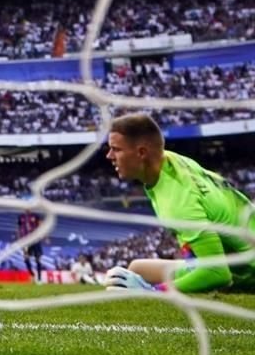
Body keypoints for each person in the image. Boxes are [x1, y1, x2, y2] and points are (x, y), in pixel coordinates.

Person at [104, 113, 255, 293]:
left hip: (247, 271)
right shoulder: (169, 162)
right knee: (136, 269)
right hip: (237, 251)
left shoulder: (179, 199)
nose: (109, 156)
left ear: (142, 153)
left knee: (129, 284)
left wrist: (155, 292)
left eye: (116, 149)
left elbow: (217, 273)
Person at [17, 209, 44, 282]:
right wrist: (19, 238)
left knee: (38, 259)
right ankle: (32, 274)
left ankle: (39, 279)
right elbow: (19, 228)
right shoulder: (21, 217)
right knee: (26, 258)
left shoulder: (35, 215)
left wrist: (43, 236)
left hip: (35, 240)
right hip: (26, 241)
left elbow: (41, 225)